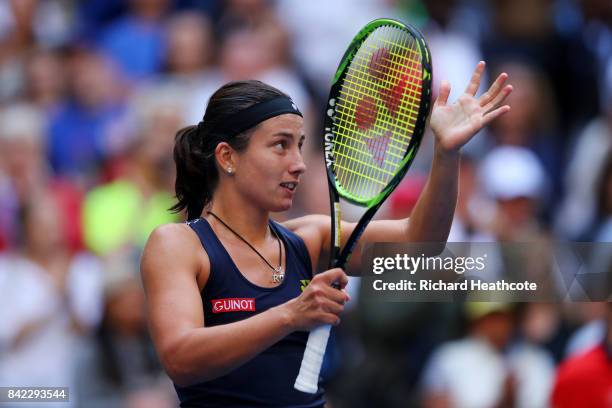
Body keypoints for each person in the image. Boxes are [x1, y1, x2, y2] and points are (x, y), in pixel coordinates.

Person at [140, 62, 512, 407]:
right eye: (280, 145)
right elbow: (180, 357)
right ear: (227, 157)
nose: (299, 164)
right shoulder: (178, 245)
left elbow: (422, 244)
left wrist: (446, 155)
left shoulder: (309, 238)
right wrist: (291, 314)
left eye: (300, 146)